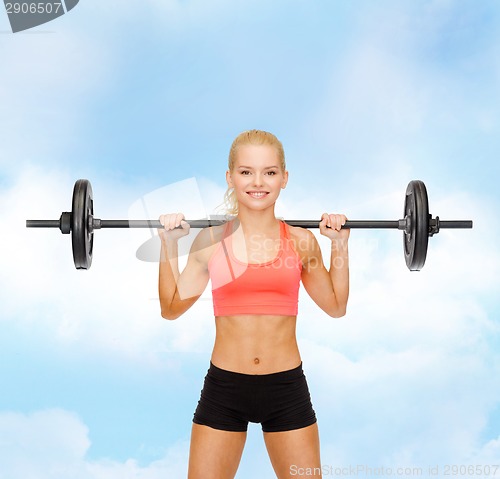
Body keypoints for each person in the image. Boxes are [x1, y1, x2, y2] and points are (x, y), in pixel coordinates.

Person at [158, 129, 349, 479]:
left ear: (284, 178)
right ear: (230, 177)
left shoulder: (302, 242)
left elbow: (336, 307)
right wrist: (169, 244)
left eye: (270, 172)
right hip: (225, 388)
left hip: (286, 388)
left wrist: (339, 245)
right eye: (246, 172)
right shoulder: (211, 242)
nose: (258, 182)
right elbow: (171, 308)